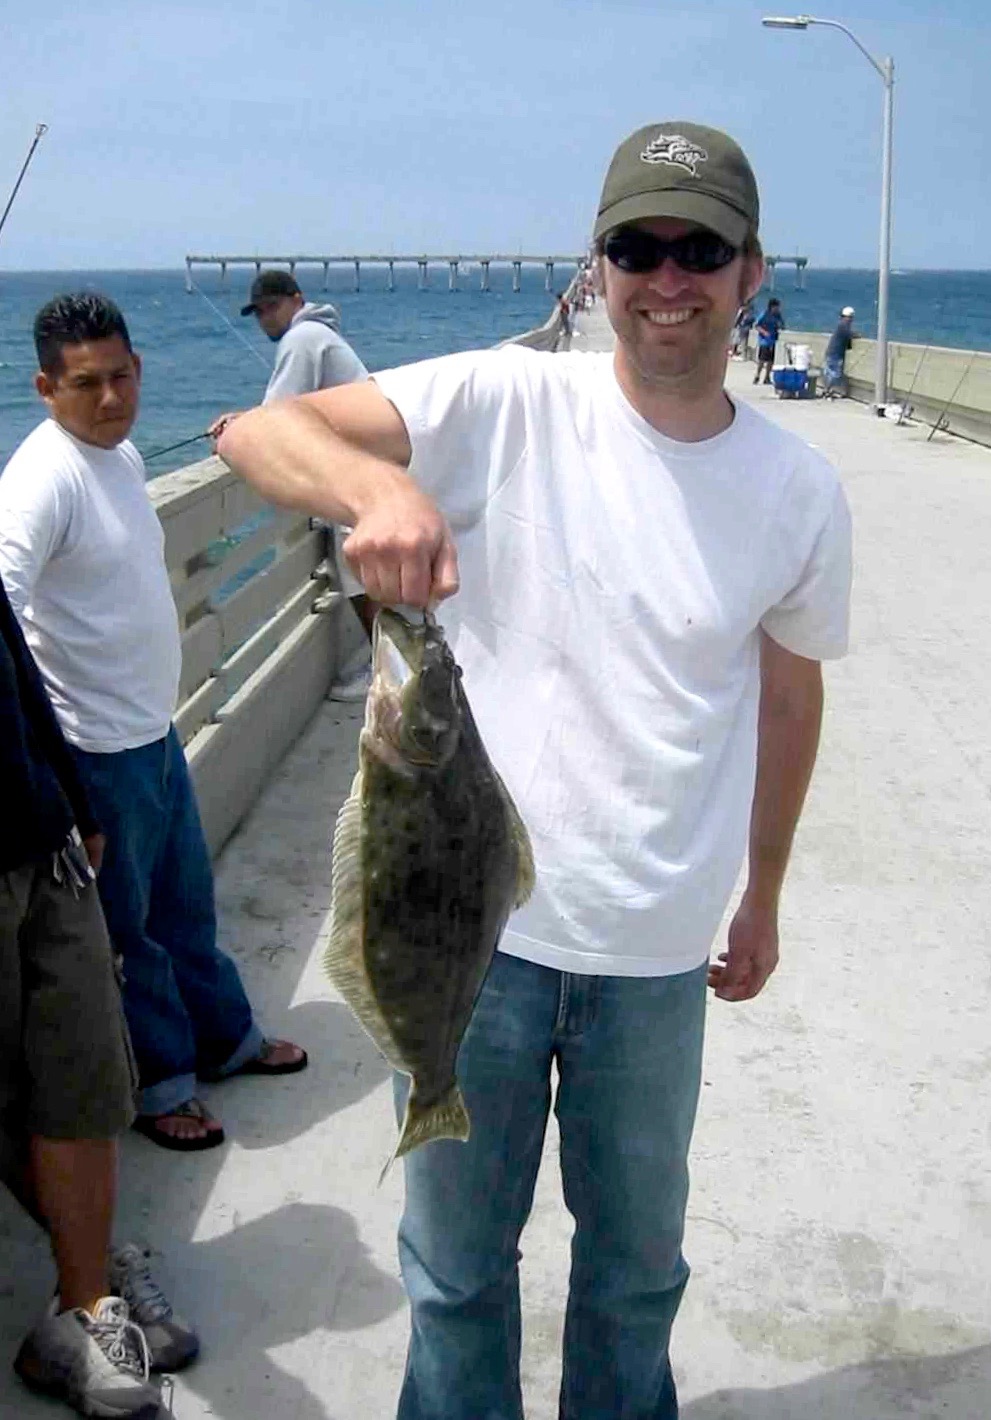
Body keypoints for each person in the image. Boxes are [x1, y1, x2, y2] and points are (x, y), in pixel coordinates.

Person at [218, 119, 852, 1420]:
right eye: (637, 245)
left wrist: (763, 893)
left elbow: (788, 700)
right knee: (451, 1276)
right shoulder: (499, 403)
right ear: (596, 263)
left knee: (632, 1280)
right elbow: (252, 433)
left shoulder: (796, 491)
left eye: (698, 249)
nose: (665, 277)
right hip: (476, 950)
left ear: (748, 269)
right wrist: (372, 494)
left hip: (655, 962)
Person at [0, 292, 307, 1154]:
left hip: (153, 730)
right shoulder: (37, 483)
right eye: (87, 384)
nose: (111, 398)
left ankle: (226, 1041)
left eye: (124, 376)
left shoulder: (122, 454)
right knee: (127, 934)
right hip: (95, 754)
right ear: (44, 387)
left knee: (186, 906)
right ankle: (161, 1084)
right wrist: (55, 778)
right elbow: (5, 616)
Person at [1, 568, 198, 1415]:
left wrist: (76, 803)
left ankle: (83, 1307)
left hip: (39, 843)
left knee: (81, 1083)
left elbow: (11, 656)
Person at [210, 270, 375, 696]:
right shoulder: (318, 335)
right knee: (367, 575)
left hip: (362, 471)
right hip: (366, 464)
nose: (265, 317)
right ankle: (391, 668)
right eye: (259, 311)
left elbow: (277, 413)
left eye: (271, 306)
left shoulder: (302, 339)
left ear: (296, 299)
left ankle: (388, 677)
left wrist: (238, 429)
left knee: (362, 579)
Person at [823, 305, 857, 398]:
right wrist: (857, 335)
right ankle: (827, 390)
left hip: (833, 352)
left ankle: (828, 390)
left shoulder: (841, 324)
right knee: (835, 374)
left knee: (832, 373)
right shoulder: (843, 325)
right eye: (850, 318)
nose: (850, 320)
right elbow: (849, 334)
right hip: (835, 353)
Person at [754, 295, 785, 384]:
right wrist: (764, 332)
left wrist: (780, 325)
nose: (778, 309)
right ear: (772, 306)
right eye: (776, 307)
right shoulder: (764, 314)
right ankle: (757, 375)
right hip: (764, 341)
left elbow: (782, 326)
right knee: (762, 360)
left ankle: (767, 377)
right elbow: (756, 325)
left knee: (770, 361)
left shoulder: (778, 315)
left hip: (773, 340)